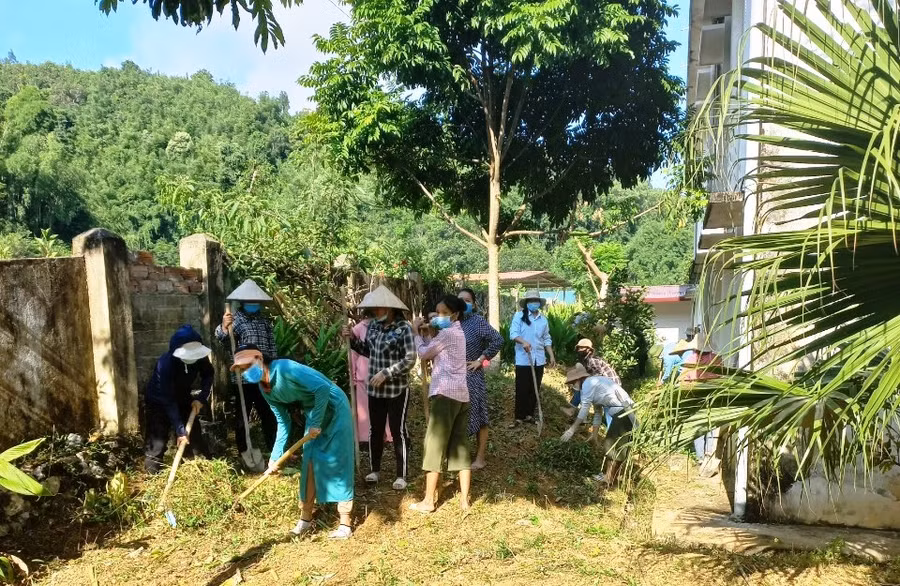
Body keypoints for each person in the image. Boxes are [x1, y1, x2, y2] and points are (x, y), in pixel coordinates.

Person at [231, 344, 355, 539]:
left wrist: (314, 423)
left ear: (259, 359)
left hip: (334, 406)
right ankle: (305, 519)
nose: (246, 372)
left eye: (248, 366)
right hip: (314, 412)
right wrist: (274, 458)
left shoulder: (285, 368)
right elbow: (283, 422)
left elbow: (322, 388)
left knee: (338, 459)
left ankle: (345, 522)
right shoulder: (265, 389)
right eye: (242, 370)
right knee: (310, 461)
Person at [343, 285, 416, 490]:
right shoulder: (374, 327)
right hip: (374, 390)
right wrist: (351, 339)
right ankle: (375, 470)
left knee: (397, 430)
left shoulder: (405, 329)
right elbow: (367, 350)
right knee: (375, 430)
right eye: (374, 309)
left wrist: (387, 373)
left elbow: (410, 359)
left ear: (391, 309)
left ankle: (401, 475)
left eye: (379, 309)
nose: (375, 312)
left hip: (397, 389)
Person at [409, 295, 471, 513]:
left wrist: (416, 332)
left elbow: (425, 353)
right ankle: (464, 500)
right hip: (461, 396)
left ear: (454, 314)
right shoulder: (458, 333)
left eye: (443, 313)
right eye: (436, 313)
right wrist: (427, 336)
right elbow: (435, 350)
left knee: (434, 447)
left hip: (444, 396)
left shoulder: (448, 334)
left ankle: (428, 501)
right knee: (460, 446)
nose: (437, 317)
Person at [215, 280, 278, 467]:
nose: (253, 304)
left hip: (263, 375)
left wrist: (273, 368)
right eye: (249, 301)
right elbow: (223, 339)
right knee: (242, 416)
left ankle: (273, 450)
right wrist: (224, 326)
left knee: (268, 414)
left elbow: (272, 346)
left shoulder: (264, 321)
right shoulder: (235, 320)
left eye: (255, 301)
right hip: (243, 378)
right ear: (243, 302)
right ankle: (243, 450)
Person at [144, 325, 213, 474]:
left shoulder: (200, 357)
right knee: (158, 441)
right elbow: (168, 400)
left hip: (183, 397)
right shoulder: (166, 364)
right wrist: (180, 430)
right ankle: (152, 477)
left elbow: (208, 374)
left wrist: (201, 398)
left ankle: (195, 470)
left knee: (194, 436)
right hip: (159, 400)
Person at [560, 364, 636, 486]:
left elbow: (584, 409)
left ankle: (608, 478)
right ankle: (612, 477)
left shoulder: (588, 385)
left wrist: (572, 429)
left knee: (613, 446)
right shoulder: (594, 383)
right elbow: (597, 412)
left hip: (623, 411)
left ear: (579, 379)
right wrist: (594, 435)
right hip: (625, 410)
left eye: (573, 382)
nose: (573, 385)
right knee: (617, 445)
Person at [457, 288, 503, 470]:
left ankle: (480, 458)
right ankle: (459, 456)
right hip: (454, 377)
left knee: (479, 416)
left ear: (474, 304)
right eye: (460, 300)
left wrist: (481, 359)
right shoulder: (451, 322)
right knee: (458, 416)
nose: (464, 303)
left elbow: (498, 340)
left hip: (472, 376)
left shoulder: (477, 322)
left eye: (468, 300)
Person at [509, 290, 556, 427]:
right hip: (524, 359)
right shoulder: (519, 316)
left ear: (539, 303)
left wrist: (551, 355)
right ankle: (519, 416)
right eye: (530, 301)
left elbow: (546, 338)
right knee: (522, 387)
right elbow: (513, 334)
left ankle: (529, 415)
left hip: (539, 359)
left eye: (535, 301)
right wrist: (523, 342)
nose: (533, 303)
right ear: (527, 303)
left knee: (534, 388)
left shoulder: (543, 320)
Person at [351, 315, 393, 445]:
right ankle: (366, 437)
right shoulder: (361, 326)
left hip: (382, 374)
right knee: (365, 407)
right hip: (364, 374)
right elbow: (353, 351)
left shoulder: (390, 326)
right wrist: (352, 376)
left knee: (384, 406)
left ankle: (388, 434)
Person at [563, 338, 620, 418]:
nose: (579, 350)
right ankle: (581, 416)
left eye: (582, 348)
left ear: (589, 349)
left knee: (582, 386)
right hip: (608, 386)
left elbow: (598, 375)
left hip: (610, 387)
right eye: (578, 348)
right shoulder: (587, 360)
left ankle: (574, 411)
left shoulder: (592, 360)